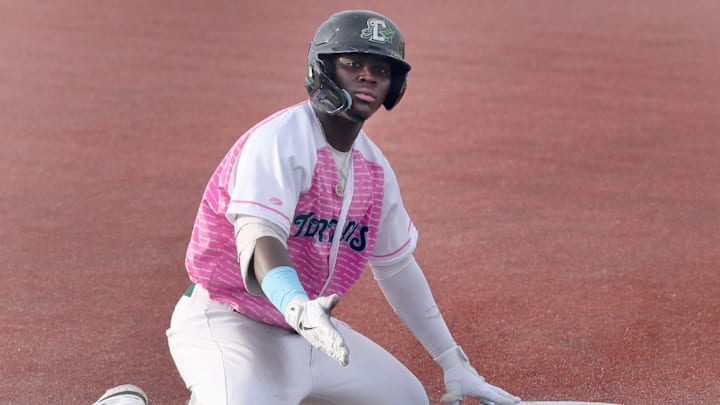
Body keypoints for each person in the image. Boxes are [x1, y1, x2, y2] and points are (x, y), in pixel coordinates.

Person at [165, 9, 521, 405]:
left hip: (311, 335)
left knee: (408, 399)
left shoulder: (375, 170)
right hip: (231, 323)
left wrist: (453, 361)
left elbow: (397, 267)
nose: (368, 76)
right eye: (353, 64)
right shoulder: (281, 140)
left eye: (381, 69)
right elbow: (260, 235)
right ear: (324, 72)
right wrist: (297, 305)